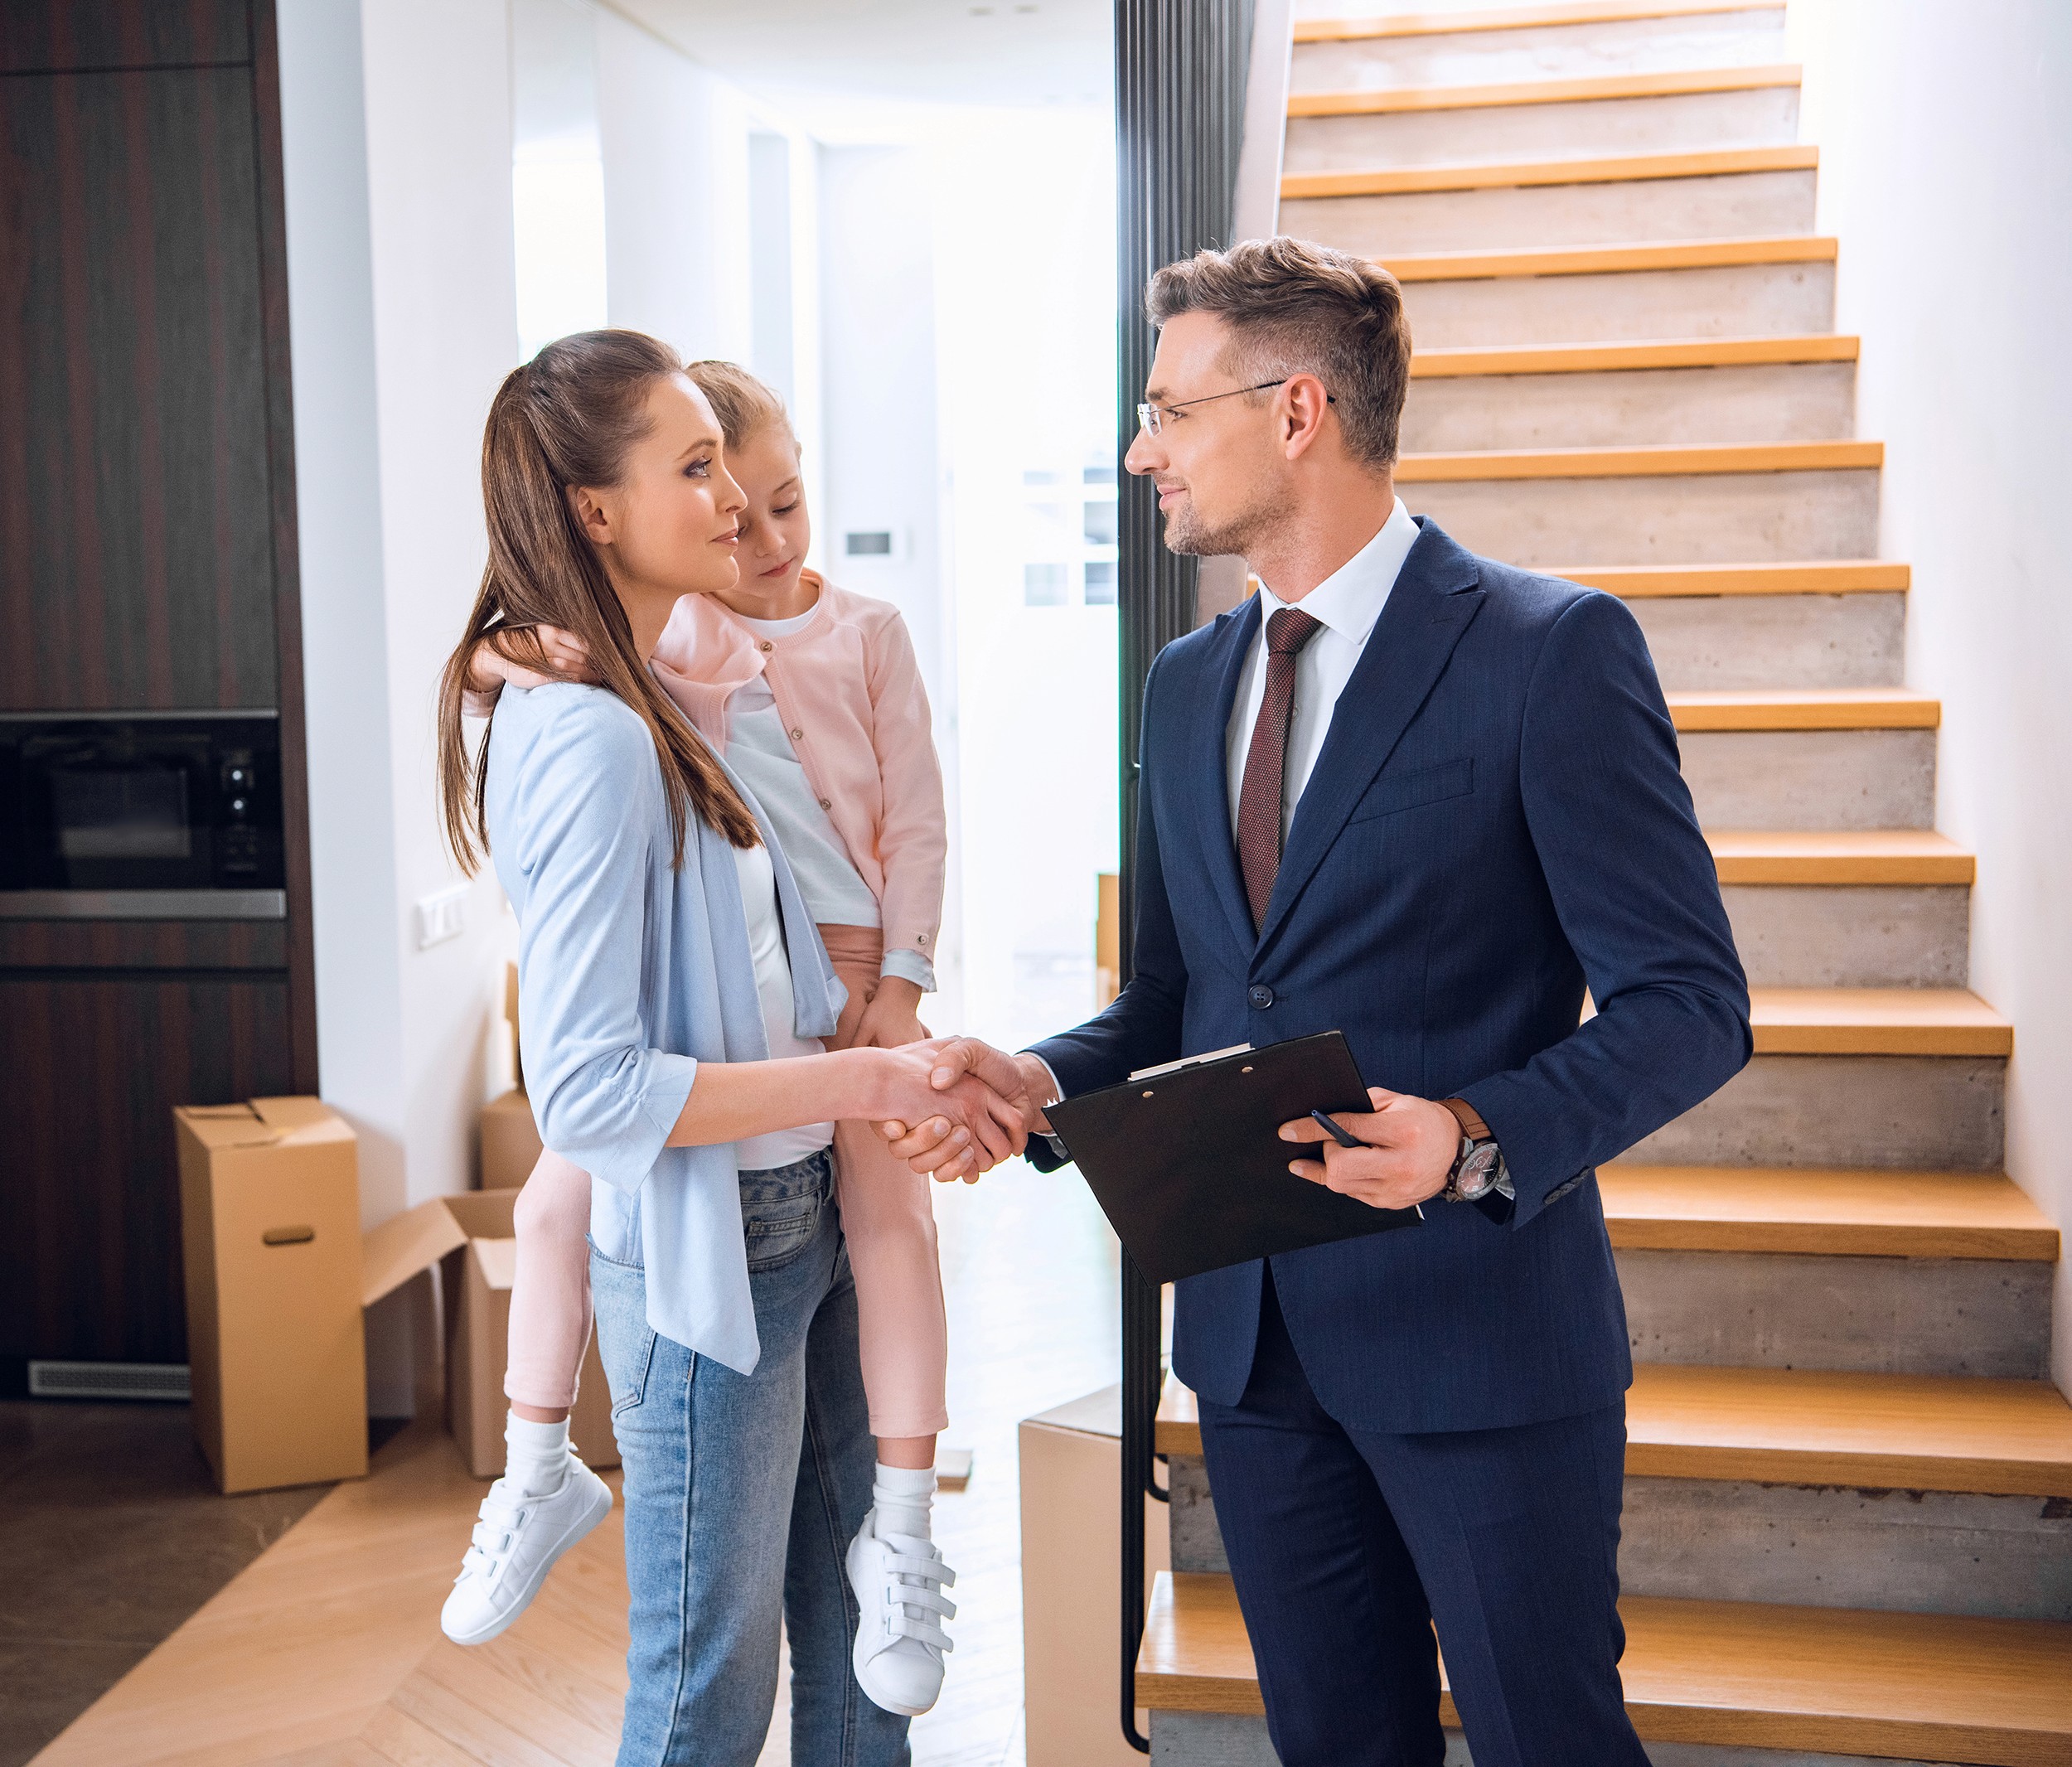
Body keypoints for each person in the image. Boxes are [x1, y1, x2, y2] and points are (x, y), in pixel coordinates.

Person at [891, 239, 1752, 1766]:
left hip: (1480, 1339)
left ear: (1297, 412)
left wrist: (1475, 1134)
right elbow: (1182, 993)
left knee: (1550, 1737)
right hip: (1252, 1346)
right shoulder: (1182, 680)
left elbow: (1691, 1001)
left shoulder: (1549, 654)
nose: (1138, 449)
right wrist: (1029, 1081)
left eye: (1168, 408)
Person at [433, 330, 1021, 1765]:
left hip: (796, 1198)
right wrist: (871, 1077)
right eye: (696, 469)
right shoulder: (594, 736)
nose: (737, 507)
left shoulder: (653, 695)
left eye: (749, 474)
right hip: (717, 1240)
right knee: (706, 1693)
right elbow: (586, 1091)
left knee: (853, 1664)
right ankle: (535, 1466)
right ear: (596, 510)